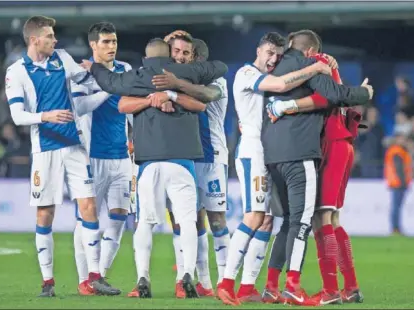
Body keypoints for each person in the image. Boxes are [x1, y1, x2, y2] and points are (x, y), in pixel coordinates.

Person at [83, 38, 228, 298]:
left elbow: (110, 84)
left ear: (145, 58)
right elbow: (216, 73)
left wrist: (93, 67)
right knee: (187, 222)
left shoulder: (137, 77)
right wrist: (164, 96)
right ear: (170, 55)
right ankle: (187, 276)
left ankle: (142, 280)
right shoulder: (186, 73)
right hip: (183, 162)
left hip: (149, 163)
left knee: (145, 224)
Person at [5, 15, 120, 297]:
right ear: (34, 40)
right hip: (45, 150)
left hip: (75, 146)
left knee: (89, 206)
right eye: (49, 36)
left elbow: (87, 81)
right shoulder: (16, 71)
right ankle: (48, 282)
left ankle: (94, 277)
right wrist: (46, 116)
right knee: (46, 213)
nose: (55, 40)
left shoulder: (62, 58)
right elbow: (17, 116)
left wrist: (103, 73)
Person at [215, 32, 333, 306]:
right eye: (268, 53)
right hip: (252, 151)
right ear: (258, 50)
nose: (272, 59)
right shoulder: (246, 73)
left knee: (269, 220)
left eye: (277, 56)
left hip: (269, 153)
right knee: (254, 216)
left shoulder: (269, 75)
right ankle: (226, 282)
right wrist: (315, 67)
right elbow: (281, 85)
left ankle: (247, 288)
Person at [261, 29, 373, 306]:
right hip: (340, 143)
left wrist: (288, 106)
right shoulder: (321, 63)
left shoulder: (317, 62)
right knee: (330, 218)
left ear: (306, 51)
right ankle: (351, 288)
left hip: (332, 145)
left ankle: (332, 290)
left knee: (321, 218)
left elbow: (328, 98)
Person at [149, 31, 228, 298]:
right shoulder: (169, 78)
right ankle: (195, 280)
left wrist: (174, 86)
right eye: (179, 53)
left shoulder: (216, 81)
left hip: (213, 157)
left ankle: (225, 280)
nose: (183, 58)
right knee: (186, 221)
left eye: (189, 55)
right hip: (185, 157)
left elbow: (205, 96)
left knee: (216, 221)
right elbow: (153, 56)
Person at [69, 22, 140, 295]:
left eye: (114, 41)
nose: (112, 46)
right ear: (93, 45)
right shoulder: (82, 74)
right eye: (106, 42)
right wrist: (109, 88)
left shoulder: (125, 70)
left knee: (119, 216)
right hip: (91, 157)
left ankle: (100, 276)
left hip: (122, 156)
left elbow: (132, 109)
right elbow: (80, 106)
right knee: (86, 219)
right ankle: (83, 280)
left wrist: (137, 136)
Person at [384, 126, 413, 236]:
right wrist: (404, 183)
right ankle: (395, 228)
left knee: (396, 206)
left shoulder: (398, 150)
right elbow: (399, 169)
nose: (403, 141)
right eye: (401, 138)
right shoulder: (397, 151)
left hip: (397, 183)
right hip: (398, 183)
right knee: (396, 207)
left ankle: (396, 227)